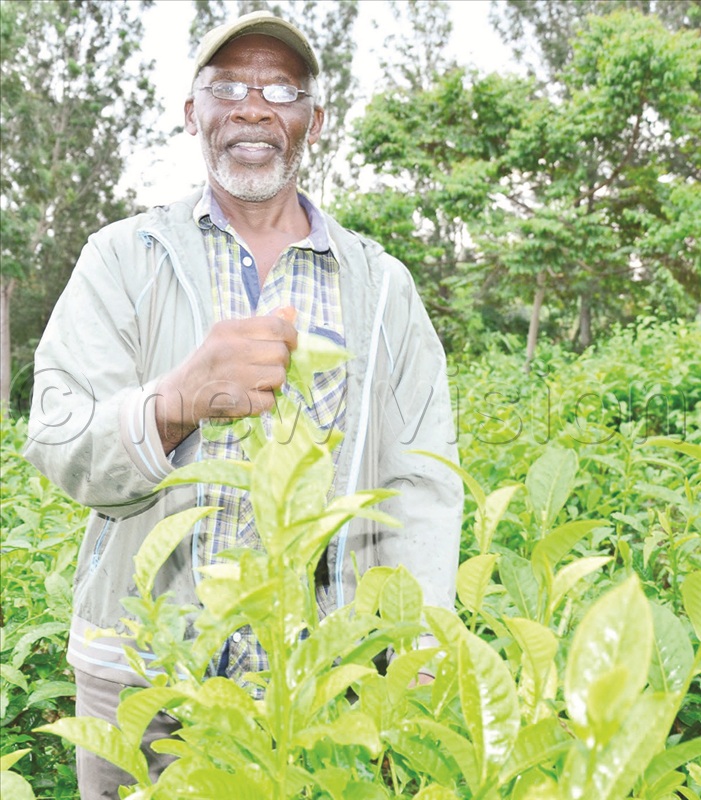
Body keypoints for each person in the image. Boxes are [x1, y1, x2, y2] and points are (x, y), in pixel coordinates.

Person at [25, 10, 462, 798]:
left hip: (317, 688)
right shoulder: (122, 259)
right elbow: (58, 439)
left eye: (281, 89)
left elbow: (422, 480)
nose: (253, 106)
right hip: (147, 674)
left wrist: (418, 653)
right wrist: (175, 400)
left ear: (313, 121)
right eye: (226, 85)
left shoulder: (380, 284)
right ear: (192, 112)